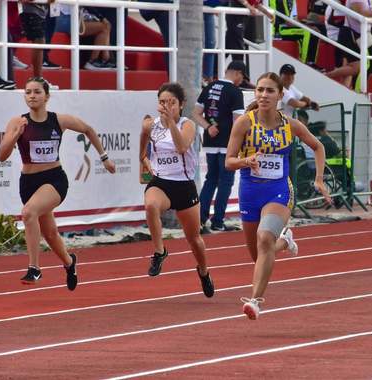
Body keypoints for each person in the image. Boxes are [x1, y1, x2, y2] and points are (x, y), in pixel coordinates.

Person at [225, 72, 331, 320]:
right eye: (260, 90)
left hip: (279, 191)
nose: (263, 95)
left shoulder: (290, 125)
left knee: (264, 239)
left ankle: (255, 301)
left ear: (281, 95)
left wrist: (318, 179)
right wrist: (245, 161)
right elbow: (229, 161)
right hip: (250, 193)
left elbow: (318, 146)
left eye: (270, 90)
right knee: (260, 253)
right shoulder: (244, 123)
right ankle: (285, 242)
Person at [0, 77, 116, 289]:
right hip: (28, 182)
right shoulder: (17, 122)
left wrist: (104, 157)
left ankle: (34, 268)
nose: (32, 96)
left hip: (54, 179)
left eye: (37, 92)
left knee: (28, 213)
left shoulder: (58, 120)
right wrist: (15, 136)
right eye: (28, 92)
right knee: (50, 233)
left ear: (47, 96)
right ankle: (70, 263)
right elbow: (2, 156)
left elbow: (88, 129)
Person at [139, 82, 215, 298]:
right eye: (162, 102)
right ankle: (159, 251)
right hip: (162, 182)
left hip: (184, 185)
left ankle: (203, 271)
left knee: (194, 239)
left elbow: (182, 146)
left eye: (171, 102)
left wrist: (171, 121)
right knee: (151, 205)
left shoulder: (186, 124)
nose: (166, 106)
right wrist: (144, 159)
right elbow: (142, 144)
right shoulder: (150, 125)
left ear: (181, 105)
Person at [192, 61, 246, 233]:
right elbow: (238, 121)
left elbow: (195, 113)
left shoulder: (209, 87)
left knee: (211, 179)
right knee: (226, 182)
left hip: (210, 141)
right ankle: (218, 221)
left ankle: (200, 220)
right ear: (237, 73)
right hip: (228, 143)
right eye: (242, 77)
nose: (241, 81)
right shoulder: (235, 92)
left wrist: (208, 127)